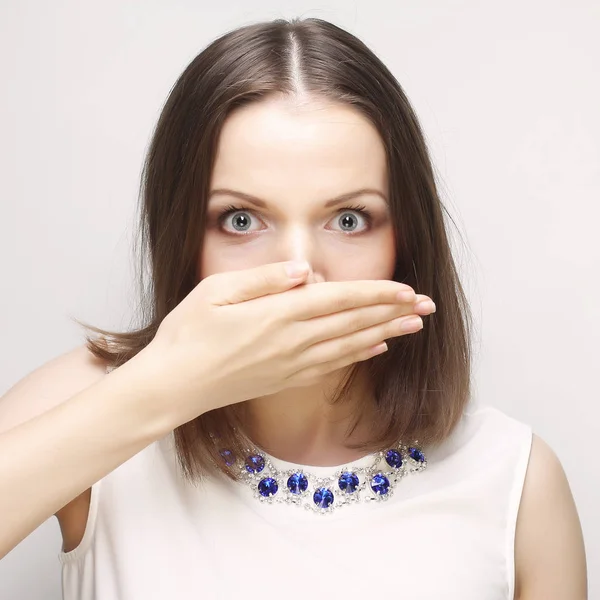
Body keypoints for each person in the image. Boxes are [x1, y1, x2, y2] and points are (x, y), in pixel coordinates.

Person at [0, 16, 587, 600]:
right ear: (183, 234)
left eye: (349, 220)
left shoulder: (515, 482)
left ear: (404, 241)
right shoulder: (91, 401)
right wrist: (166, 386)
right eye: (241, 220)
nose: (301, 273)